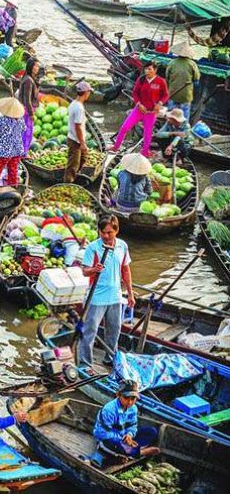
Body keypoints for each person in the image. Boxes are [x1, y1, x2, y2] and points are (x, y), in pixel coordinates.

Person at [79, 214, 134, 372]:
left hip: (115, 296)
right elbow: (84, 271)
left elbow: (125, 269)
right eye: (102, 232)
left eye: (109, 232)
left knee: (114, 330)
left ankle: (110, 358)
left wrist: (130, 293)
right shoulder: (93, 248)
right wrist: (94, 269)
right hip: (96, 297)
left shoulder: (122, 246)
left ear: (116, 231)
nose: (105, 236)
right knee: (89, 331)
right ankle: (85, 364)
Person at [112, 61, 168, 157]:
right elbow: (135, 93)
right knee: (124, 127)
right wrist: (139, 104)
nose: (147, 71)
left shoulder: (161, 81)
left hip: (151, 112)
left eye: (150, 69)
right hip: (139, 109)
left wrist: (160, 103)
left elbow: (165, 95)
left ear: (155, 70)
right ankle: (115, 147)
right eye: (146, 69)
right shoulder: (141, 80)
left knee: (147, 133)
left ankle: (145, 151)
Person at [93, 380, 160, 461]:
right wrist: (123, 440)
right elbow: (102, 434)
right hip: (109, 439)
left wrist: (129, 435)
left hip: (126, 438)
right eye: (126, 398)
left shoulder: (133, 408)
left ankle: (129, 451)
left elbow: (133, 426)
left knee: (151, 431)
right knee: (107, 444)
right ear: (118, 395)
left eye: (133, 398)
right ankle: (139, 452)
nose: (130, 402)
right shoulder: (109, 410)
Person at [0, 97, 27, 187]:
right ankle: (13, 189)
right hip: (16, 150)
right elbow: (24, 128)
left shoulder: (3, 120)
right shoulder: (20, 119)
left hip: (4, 152)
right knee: (13, 172)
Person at [65, 81, 92, 183]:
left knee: (83, 158)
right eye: (89, 92)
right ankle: (68, 183)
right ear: (86, 93)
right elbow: (78, 127)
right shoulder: (79, 108)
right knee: (73, 165)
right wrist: (82, 143)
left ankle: (75, 178)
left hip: (74, 138)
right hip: (75, 140)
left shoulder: (74, 103)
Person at [165, 42, 200, 120]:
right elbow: (196, 80)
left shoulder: (172, 63)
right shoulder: (192, 64)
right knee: (184, 118)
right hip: (186, 96)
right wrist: (194, 93)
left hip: (173, 93)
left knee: (171, 116)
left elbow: (167, 78)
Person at [17, 57, 41, 155]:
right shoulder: (28, 80)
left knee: (27, 131)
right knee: (26, 132)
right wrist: (31, 113)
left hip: (26, 109)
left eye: (38, 66)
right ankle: (23, 152)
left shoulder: (30, 78)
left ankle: (23, 151)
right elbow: (27, 99)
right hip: (26, 110)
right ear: (31, 67)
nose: (37, 68)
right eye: (36, 66)